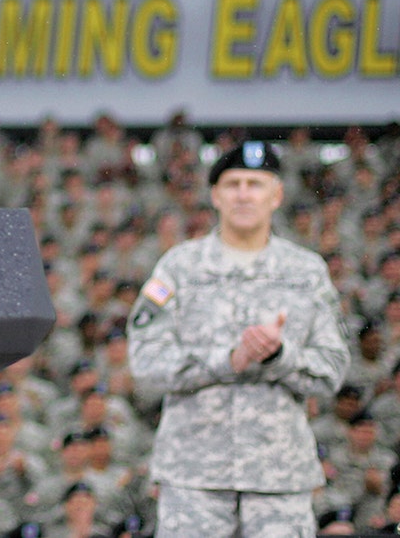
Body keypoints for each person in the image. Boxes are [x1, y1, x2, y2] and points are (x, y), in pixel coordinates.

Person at [126, 141, 351, 536]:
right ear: (215, 195)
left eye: (255, 184)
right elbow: (146, 360)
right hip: (194, 478)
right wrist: (229, 360)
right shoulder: (180, 267)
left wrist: (279, 356)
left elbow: (332, 368)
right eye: (233, 184)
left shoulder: (306, 272)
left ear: (276, 195)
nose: (244, 195)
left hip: (279, 479)